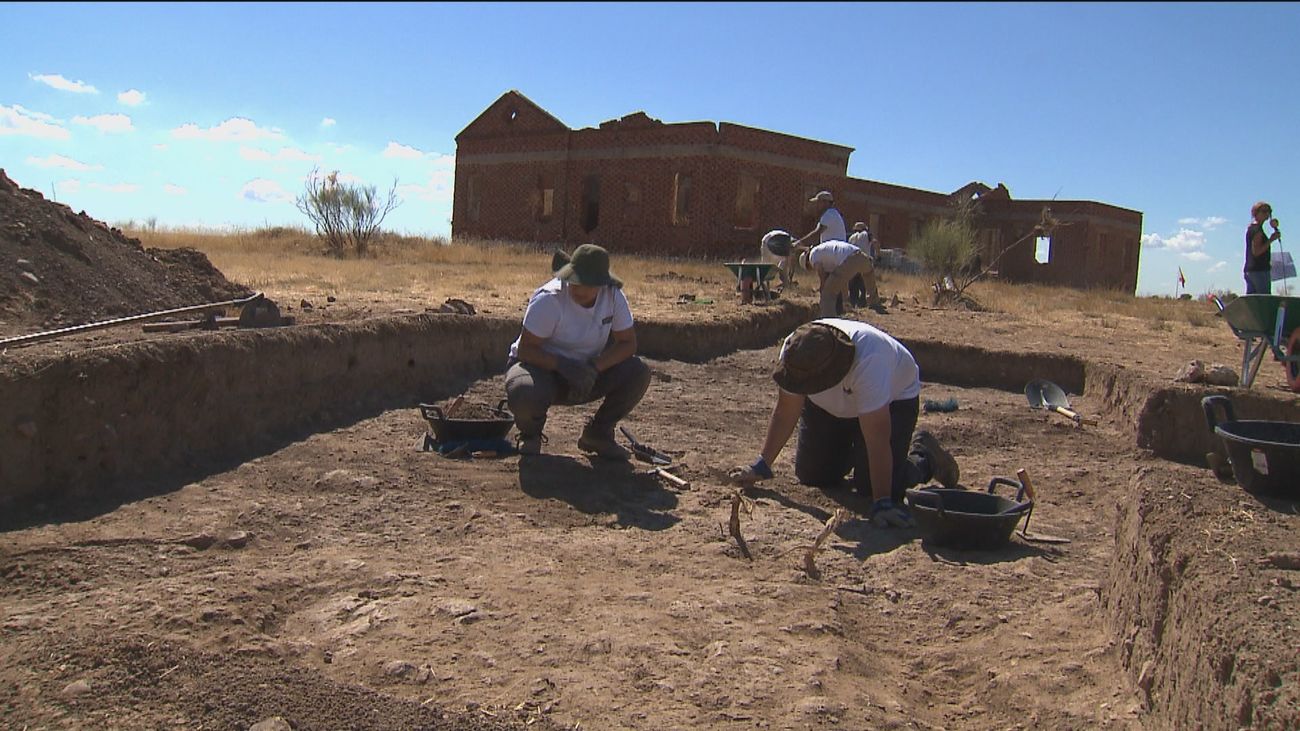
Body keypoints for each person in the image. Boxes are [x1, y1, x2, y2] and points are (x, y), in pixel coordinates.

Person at [726, 319, 960, 528]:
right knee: (813, 474)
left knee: (873, 487)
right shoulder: (795, 351)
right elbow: (786, 410)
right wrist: (762, 465)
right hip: (834, 404)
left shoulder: (870, 361)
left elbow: (878, 438)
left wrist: (882, 503)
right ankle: (856, 451)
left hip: (893, 400)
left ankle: (925, 456)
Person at [505, 244, 652, 459]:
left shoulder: (613, 297)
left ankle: (598, 434)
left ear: (602, 285)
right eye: (573, 279)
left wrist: (594, 368)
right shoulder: (549, 299)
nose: (576, 288)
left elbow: (628, 343)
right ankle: (530, 434)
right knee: (523, 389)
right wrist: (562, 366)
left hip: (587, 374)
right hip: (541, 371)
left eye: (584, 283)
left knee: (638, 373)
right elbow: (526, 350)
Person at [798, 239, 884, 316]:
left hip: (848, 260)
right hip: (861, 256)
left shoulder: (812, 255)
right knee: (868, 273)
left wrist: (823, 285)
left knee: (828, 293)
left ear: (807, 263)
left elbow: (820, 268)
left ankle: (828, 318)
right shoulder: (824, 251)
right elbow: (842, 279)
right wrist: (845, 298)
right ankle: (874, 302)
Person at [1245, 201, 1281, 295]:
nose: (1267, 214)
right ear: (1256, 213)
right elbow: (1256, 252)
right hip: (1259, 271)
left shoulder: (1253, 228)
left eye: (1269, 212)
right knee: (1264, 300)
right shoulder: (1257, 230)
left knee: (1253, 302)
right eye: (1264, 211)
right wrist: (1271, 240)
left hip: (1251, 270)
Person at [847, 222, 873, 307]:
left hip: (852, 264)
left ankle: (853, 304)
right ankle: (863, 304)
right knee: (864, 286)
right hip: (864, 262)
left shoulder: (851, 238)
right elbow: (875, 243)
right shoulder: (867, 235)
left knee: (853, 287)